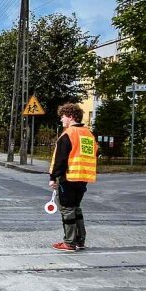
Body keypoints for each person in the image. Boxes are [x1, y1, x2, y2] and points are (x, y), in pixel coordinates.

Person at [49, 103, 98, 251]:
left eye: (63, 117)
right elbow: (94, 154)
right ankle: (80, 240)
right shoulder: (88, 134)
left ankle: (69, 242)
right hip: (83, 177)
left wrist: (53, 177)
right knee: (76, 208)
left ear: (70, 116)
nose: (61, 120)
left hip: (68, 177)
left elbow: (60, 159)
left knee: (67, 209)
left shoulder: (68, 134)